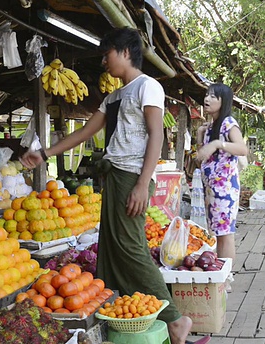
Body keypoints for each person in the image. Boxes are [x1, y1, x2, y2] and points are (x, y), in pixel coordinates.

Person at [21, 28, 194, 344]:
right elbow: (85, 132)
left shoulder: (148, 87)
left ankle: (175, 319)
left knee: (131, 248)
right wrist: (44, 153)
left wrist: (143, 184)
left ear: (126, 51)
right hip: (114, 176)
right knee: (111, 251)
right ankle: (120, 311)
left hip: (132, 177)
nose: (104, 61)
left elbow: (157, 134)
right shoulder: (115, 96)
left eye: (107, 53)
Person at [196, 83, 248, 260]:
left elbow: (242, 149)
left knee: (225, 234)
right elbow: (201, 157)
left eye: (212, 96)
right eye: (207, 95)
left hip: (224, 188)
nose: (206, 99)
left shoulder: (228, 123)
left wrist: (218, 143)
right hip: (212, 189)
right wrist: (200, 135)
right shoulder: (210, 127)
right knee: (219, 233)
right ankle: (222, 277)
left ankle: (227, 278)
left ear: (223, 101)